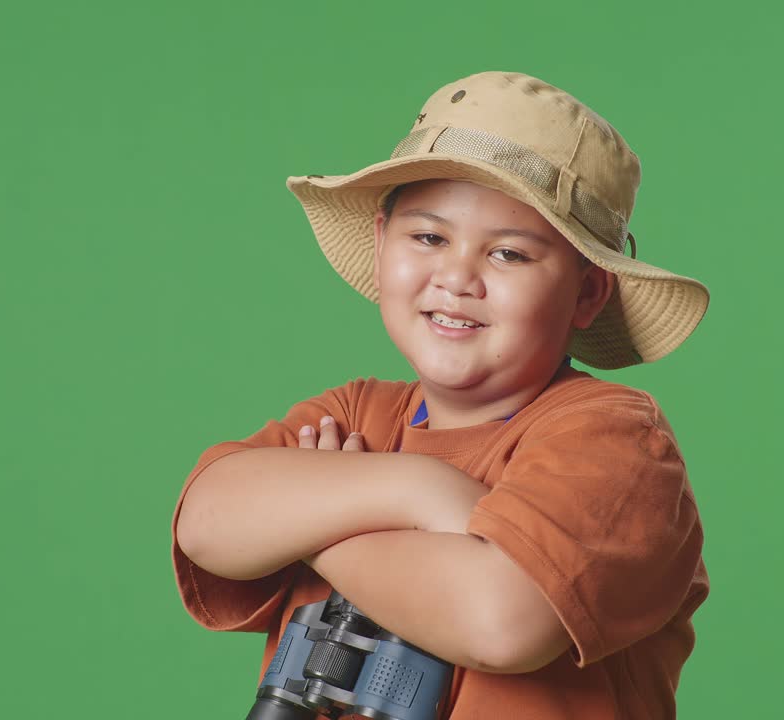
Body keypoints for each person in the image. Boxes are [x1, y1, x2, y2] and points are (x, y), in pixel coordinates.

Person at [172, 71, 711, 719]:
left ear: (588, 292)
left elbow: (501, 623)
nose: (457, 277)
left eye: (510, 254)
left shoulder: (615, 440)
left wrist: (313, 527)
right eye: (429, 238)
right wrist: (415, 489)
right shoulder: (353, 414)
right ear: (381, 244)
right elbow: (206, 523)